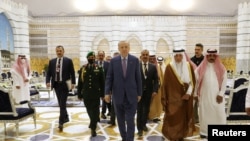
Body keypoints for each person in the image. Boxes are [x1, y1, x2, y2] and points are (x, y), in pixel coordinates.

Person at [104, 41, 142, 141]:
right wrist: (107, 92)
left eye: (126, 47)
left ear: (129, 48)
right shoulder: (113, 61)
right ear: (119, 49)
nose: (124, 49)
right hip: (118, 96)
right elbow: (109, 77)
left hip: (132, 96)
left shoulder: (134, 60)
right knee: (120, 120)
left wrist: (139, 93)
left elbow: (138, 78)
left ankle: (130, 139)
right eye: (122, 47)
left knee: (130, 120)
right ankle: (124, 138)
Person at [161, 48, 196, 141]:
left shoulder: (188, 66)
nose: (178, 57)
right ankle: (173, 135)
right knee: (173, 117)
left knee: (183, 117)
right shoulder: (169, 67)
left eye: (180, 55)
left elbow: (192, 82)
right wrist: (166, 99)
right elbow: (165, 85)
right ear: (173, 56)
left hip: (185, 98)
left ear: (183, 56)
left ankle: (181, 135)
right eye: (176, 55)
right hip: (173, 99)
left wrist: (188, 94)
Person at [194, 49, 227, 139]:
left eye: (213, 55)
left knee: (219, 114)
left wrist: (221, 94)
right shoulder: (200, 69)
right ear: (206, 56)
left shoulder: (222, 68)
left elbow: (224, 82)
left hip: (217, 96)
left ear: (216, 56)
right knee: (204, 114)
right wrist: (195, 94)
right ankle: (204, 132)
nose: (212, 57)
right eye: (209, 55)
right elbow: (195, 82)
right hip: (204, 96)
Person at [46, 45, 76, 132]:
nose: (59, 52)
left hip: (64, 85)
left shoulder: (68, 61)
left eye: (60, 51)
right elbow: (49, 73)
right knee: (61, 103)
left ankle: (61, 122)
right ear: (56, 52)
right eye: (57, 51)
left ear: (63, 51)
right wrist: (48, 81)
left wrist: (73, 83)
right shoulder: (52, 62)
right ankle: (66, 116)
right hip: (56, 85)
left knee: (62, 104)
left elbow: (72, 72)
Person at [77, 51, 105, 137]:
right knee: (89, 109)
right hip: (86, 94)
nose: (91, 58)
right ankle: (93, 120)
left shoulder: (99, 68)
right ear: (87, 58)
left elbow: (102, 82)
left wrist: (102, 94)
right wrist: (79, 94)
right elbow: (80, 83)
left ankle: (93, 128)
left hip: (96, 93)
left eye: (93, 57)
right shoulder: (83, 68)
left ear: (95, 58)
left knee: (96, 110)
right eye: (90, 57)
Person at [137, 50, 159, 137]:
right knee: (139, 111)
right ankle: (139, 129)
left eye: (147, 55)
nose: (145, 56)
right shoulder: (136, 66)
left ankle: (143, 124)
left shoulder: (153, 67)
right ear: (141, 56)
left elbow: (156, 80)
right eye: (143, 55)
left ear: (148, 56)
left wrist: (155, 90)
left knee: (146, 110)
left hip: (149, 93)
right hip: (138, 93)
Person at [190, 43, 204, 124]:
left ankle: (203, 118)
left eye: (198, 50)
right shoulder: (191, 60)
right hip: (194, 84)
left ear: (202, 50)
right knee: (194, 101)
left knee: (203, 102)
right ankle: (195, 118)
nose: (196, 51)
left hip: (203, 84)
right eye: (195, 49)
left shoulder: (205, 60)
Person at [148, 55, 164, 123]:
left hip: (158, 88)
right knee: (150, 104)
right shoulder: (147, 66)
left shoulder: (158, 66)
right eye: (150, 59)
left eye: (153, 59)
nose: (152, 60)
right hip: (149, 89)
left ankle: (156, 116)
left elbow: (161, 77)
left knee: (157, 103)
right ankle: (149, 116)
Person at [96, 50, 111, 120]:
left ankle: (103, 113)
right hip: (96, 86)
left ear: (104, 56)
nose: (101, 57)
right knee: (96, 101)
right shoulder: (94, 64)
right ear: (97, 56)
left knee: (104, 100)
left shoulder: (108, 64)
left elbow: (109, 75)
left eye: (102, 55)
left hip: (105, 86)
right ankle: (97, 113)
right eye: (100, 55)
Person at [107, 51, 120, 126]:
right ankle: (112, 120)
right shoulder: (112, 66)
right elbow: (110, 78)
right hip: (115, 89)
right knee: (113, 106)